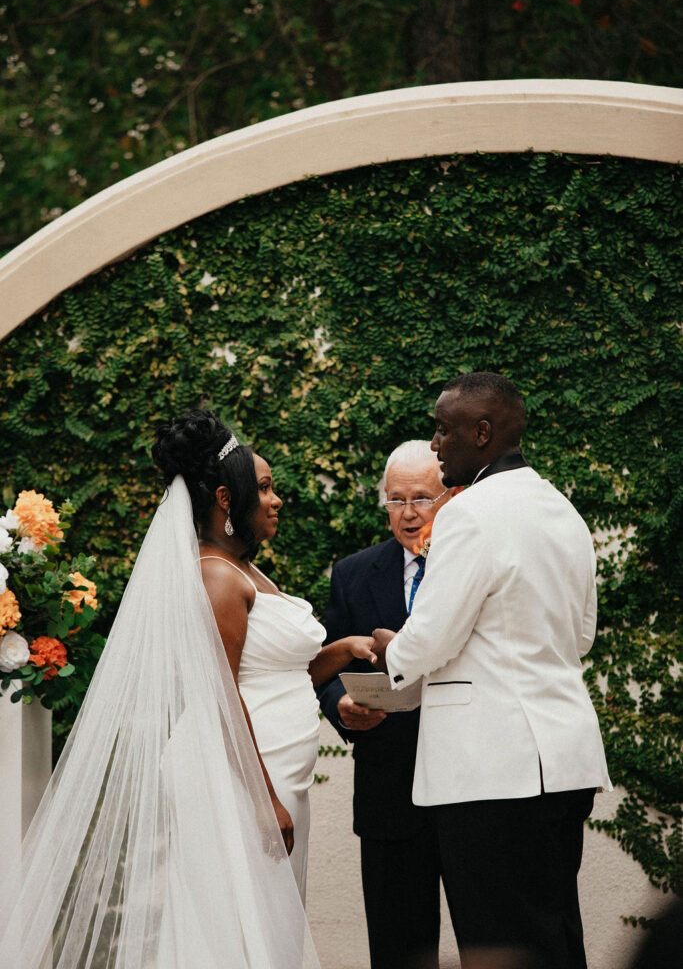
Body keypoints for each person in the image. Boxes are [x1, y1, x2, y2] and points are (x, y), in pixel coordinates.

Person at [0, 409, 374, 969]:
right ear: (226, 498)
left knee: (267, 925)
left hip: (272, 766)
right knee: (234, 932)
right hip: (238, 776)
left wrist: (343, 651)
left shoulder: (243, 568)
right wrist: (262, 798)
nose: (275, 500)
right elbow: (224, 694)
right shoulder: (218, 577)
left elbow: (272, 674)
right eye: (264, 488)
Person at [372, 373, 612, 969]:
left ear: (482, 434)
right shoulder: (564, 510)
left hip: (491, 771)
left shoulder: (470, 513)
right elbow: (581, 635)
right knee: (554, 936)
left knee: (498, 944)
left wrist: (389, 653)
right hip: (563, 762)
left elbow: (430, 635)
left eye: (443, 429)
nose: (434, 444)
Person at [318, 440, 458, 969]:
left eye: (420, 498)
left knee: (487, 937)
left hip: (467, 785)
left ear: (449, 497)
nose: (407, 513)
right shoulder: (353, 573)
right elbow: (328, 666)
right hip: (387, 783)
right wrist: (341, 709)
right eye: (395, 501)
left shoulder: (471, 565)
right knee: (399, 948)